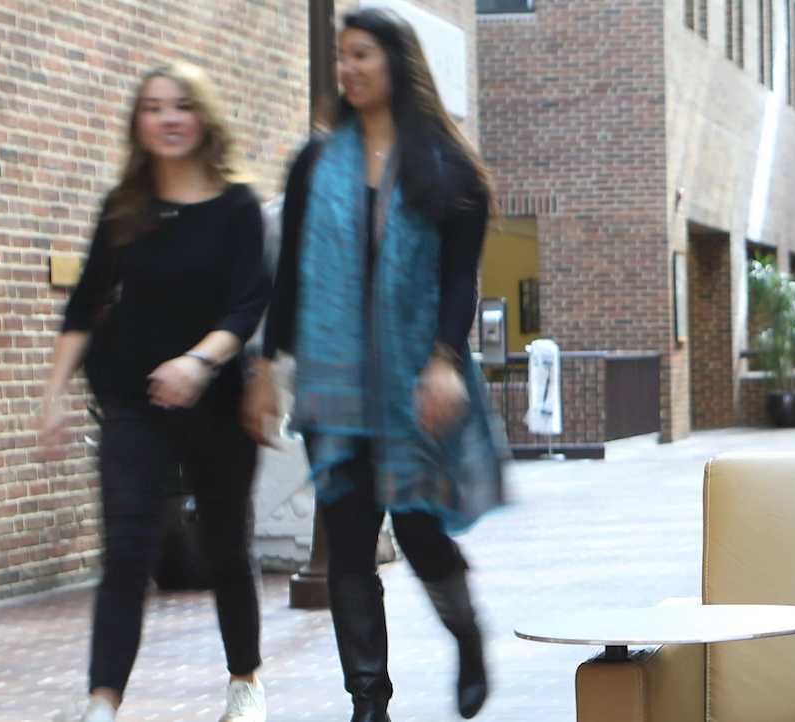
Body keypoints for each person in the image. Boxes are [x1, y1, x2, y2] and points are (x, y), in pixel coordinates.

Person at [242, 7, 496, 720]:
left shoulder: (447, 165)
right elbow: (289, 273)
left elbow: (458, 281)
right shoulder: (316, 163)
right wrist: (265, 368)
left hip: (416, 382)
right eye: (340, 57)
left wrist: (445, 358)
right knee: (349, 538)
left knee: (417, 530)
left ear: (395, 60)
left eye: (361, 54)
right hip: (334, 383)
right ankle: (369, 702)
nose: (347, 68)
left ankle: (467, 636)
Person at [37, 61, 273, 722]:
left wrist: (199, 362)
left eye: (180, 106)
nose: (168, 118)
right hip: (133, 402)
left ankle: (246, 682)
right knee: (126, 553)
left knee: (227, 544)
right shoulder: (123, 208)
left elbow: (246, 304)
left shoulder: (237, 207)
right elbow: (82, 307)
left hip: (217, 401)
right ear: (138, 124)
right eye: (153, 107)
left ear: (203, 118)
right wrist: (53, 395)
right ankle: (102, 702)